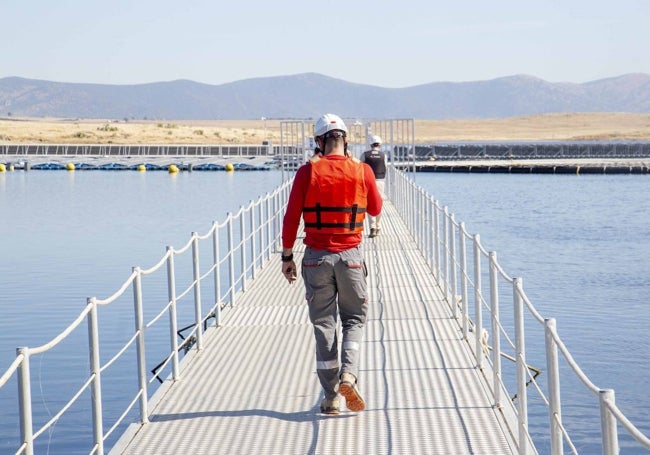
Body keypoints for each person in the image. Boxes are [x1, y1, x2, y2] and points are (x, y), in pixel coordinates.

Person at [281, 113, 382, 415]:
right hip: (351, 257)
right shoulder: (361, 170)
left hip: (316, 259)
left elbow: (290, 219)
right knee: (354, 320)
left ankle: (331, 398)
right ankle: (349, 376)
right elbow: (376, 207)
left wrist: (287, 257)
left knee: (324, 325)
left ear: (319, 142)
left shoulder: (306, 172)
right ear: (345, 140)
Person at [361, 135, 387, 238]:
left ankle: (372, 227)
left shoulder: (365, 155)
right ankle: (378, 227)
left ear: (371, 144)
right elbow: (386, 167)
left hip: (367, 181)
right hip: (380, 180)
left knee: (369, 202)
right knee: (378, 202)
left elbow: (360, 167)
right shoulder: (383, 155)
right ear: (379, 145)